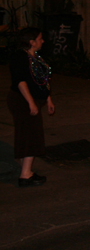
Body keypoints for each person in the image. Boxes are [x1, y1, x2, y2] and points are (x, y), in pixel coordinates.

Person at [7, 27, 55, 187]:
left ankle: (25, 168)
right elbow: (20, 81)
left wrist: (48, 99)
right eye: (40, 38)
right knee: (30, 135)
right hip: (22, 100)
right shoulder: (20, 57)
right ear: (31, 42)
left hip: (34, 99)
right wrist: (30, 102)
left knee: (28, 132)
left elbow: (42, 80)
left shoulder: (36, 57)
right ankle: (25, 175)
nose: (43, 41)